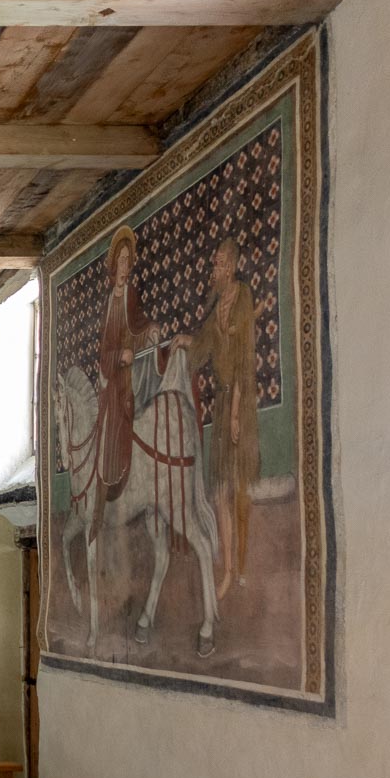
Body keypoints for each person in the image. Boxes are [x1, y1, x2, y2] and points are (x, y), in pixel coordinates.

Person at [172, 238, 260, 602]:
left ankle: (241, 567)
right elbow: (204, 347)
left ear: (233, 266)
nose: (214, 270)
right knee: (220, 490)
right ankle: (227, 570)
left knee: (238, 486)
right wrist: (184, 341)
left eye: (220, 263)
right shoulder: (217, 306)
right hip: (223, 404)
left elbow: (243, 359)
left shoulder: (243, 298)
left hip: (242, 402)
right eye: (214, 264)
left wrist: (237, 411)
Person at [94, 226, 164, 505]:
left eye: (127, 260)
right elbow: (103, 353)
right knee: (112, 423)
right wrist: (118, 356)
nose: (125, 266)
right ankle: (114, 480)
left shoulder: (131, 295)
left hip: (131, 376)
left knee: (142, 410)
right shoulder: (108, 303)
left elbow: (138, 325)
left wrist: (151, 331)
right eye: (121, 261)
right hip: (114, 380)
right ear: (114, 265)